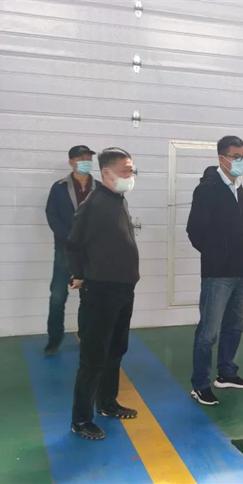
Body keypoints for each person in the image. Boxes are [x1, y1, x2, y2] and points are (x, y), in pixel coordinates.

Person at [67, 147, 139, 440]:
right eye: (125, 171)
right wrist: (79, 274)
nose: (130, 175)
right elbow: (74, 244)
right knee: (93, 357)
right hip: (100, 291)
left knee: (115, 350)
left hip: (123, 289)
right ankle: (81, 419)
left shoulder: (118, 199)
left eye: (131, 170)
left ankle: (107, 403)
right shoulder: (93, 204)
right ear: (106, 173)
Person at [187, 135, 243, 407]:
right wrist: (217, 255)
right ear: (221, 158)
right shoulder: (207, 189)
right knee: (209, 331)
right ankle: (200, 384)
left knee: (234, 326)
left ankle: (226, 372)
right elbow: (194, 231)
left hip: (240, 270)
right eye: (236, 157)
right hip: (217, 273)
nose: (241, 161)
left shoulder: (238, 188)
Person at [44, 145, 99, 355]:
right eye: (81, 158)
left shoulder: (99, 188)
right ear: (71, 162)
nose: (86, 162)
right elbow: (52, 214)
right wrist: (69, 238)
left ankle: (87, 337)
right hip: (65, 250)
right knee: (58, 296)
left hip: (91, 251)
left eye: (88, 158)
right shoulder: (59, 188)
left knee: (90, 297)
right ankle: (54, 340)